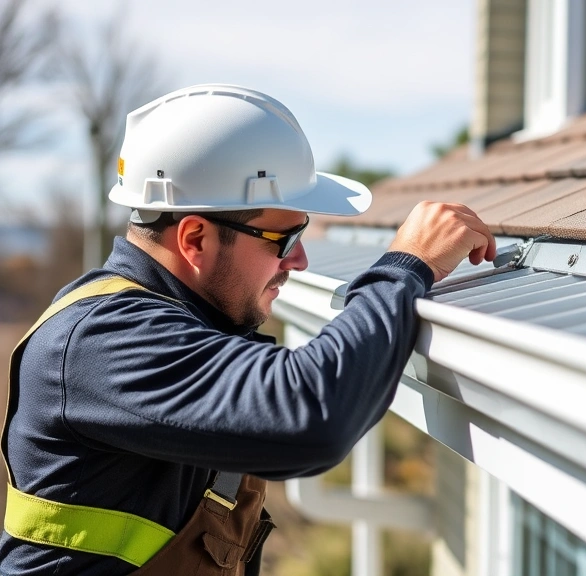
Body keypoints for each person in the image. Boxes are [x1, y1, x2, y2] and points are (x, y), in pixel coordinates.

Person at [0, 84, 496, 575]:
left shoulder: (179, 322)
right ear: (196, 238)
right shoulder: (102, 341)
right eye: (285, 238)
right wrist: (404, 268)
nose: (299, 260)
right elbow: (308, 414)